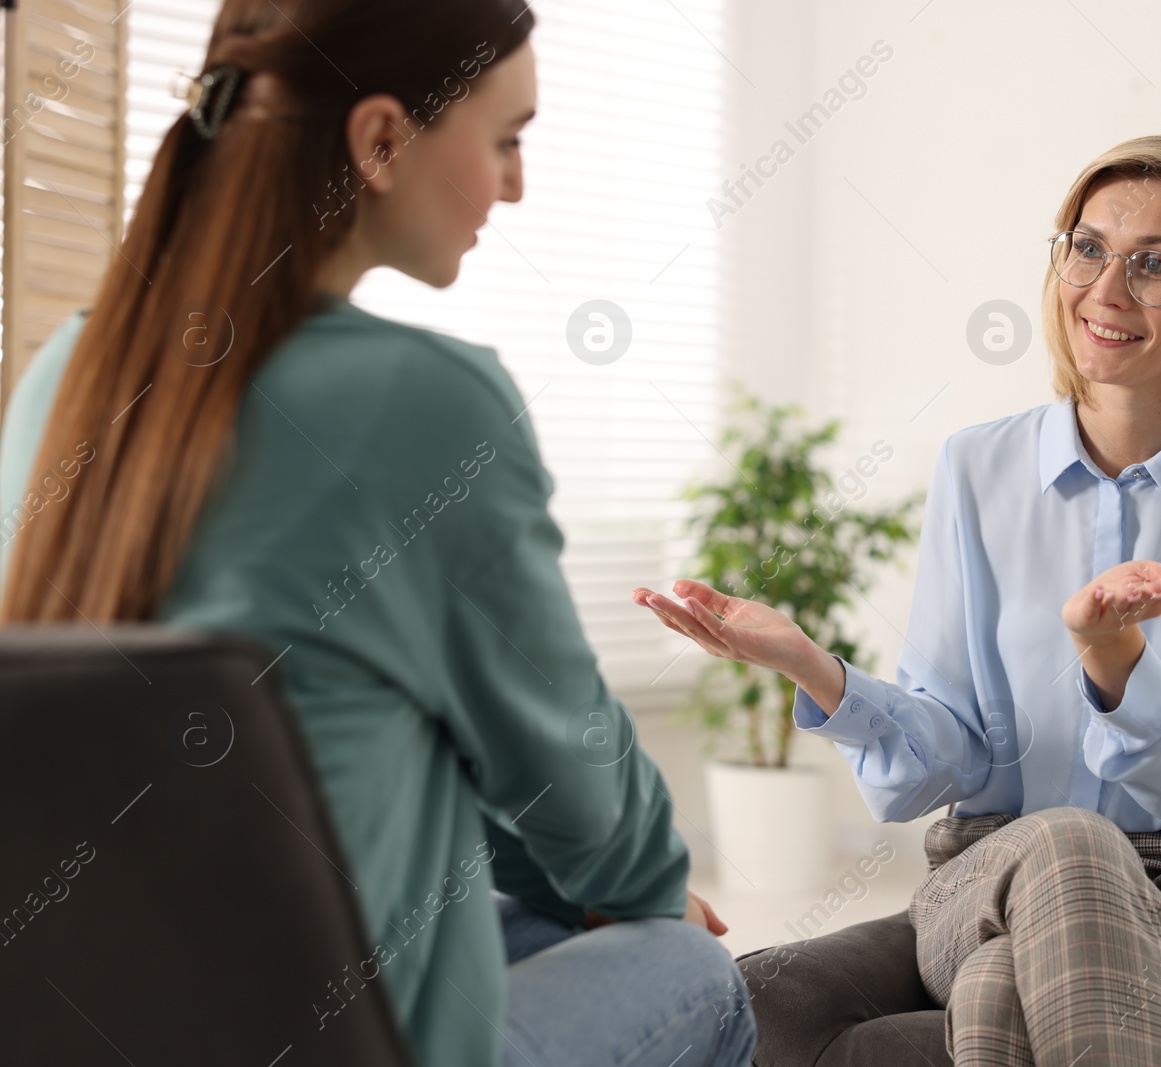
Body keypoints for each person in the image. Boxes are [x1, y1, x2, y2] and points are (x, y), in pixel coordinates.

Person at [0, 3, 755, 1066]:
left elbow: (333, 750)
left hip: (101, 1015)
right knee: (693, 969)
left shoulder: (58, 380)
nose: (517, 183)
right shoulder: (430, 407)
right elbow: (576, 784)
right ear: (383, 140)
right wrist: (648, 891)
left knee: (533, 909)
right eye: (506, 138)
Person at [634, 133, 1161, 1065]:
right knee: (1067, 842)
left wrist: (1115, 660)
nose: (1105, 289)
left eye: (1156, 267)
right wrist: (815, 669)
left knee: (1002, 989)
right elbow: (947, 755)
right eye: (1086, 248)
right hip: (996, 876)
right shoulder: (978, 467)